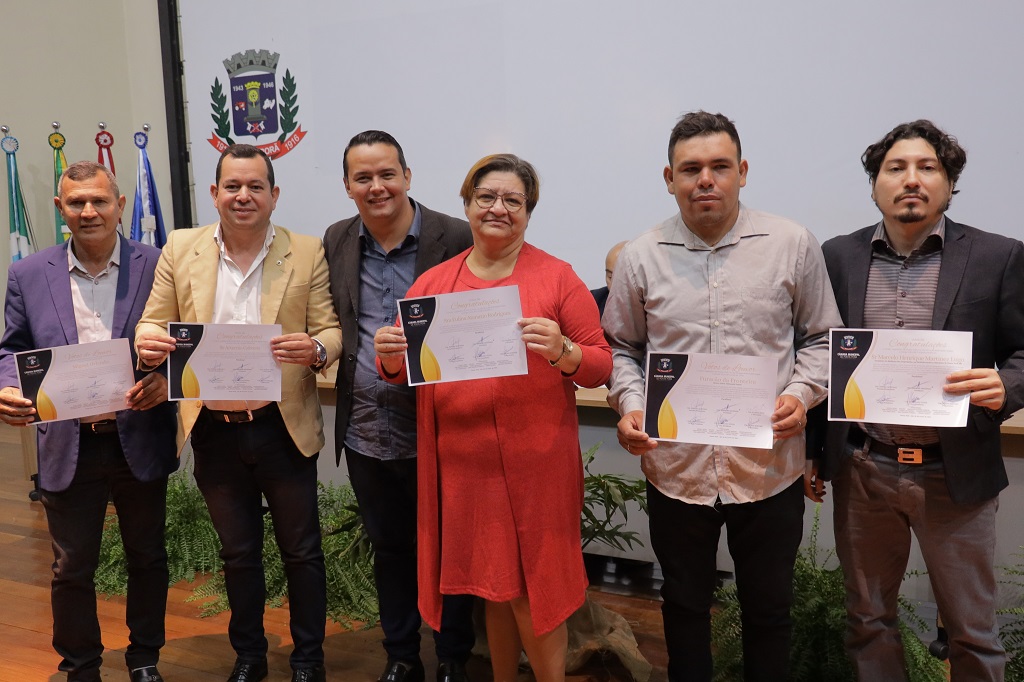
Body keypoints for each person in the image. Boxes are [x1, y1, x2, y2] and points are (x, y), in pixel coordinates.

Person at [604, 111, 842, 682]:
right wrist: (630, 404)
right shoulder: (641, 254)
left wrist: (802, 394)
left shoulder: (791, 244)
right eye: (691, 169)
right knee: (683, 605)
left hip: (766, 467)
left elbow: (823, 340)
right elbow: (621, 349)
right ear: (669, 177)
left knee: (768, 610)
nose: (705, 179)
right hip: (676, 468)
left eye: (719, 166)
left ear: (742, 171)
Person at [374, 154, 612, 682]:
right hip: (465, 469)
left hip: (536, 469)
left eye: (513, 200)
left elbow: (600, 365)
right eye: (486, 197)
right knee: (495, 590)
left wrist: (564, 350)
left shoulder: (557, 278)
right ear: (467, 203)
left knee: (533, 593)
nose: (498, 208)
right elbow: (399, 370)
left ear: (528, 212)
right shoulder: (435, 283)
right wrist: (390, 355)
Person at [806, 120, 1024, 681]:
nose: (911, 180)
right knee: (868, 619)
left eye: (927, 168)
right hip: (863, 468)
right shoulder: (839, 257)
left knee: (972, 631)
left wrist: (1009, 386)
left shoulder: (997, 256)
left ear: (949, 183)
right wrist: (814, 451)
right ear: (875, 183)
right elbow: (817, 354)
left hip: (954, 474)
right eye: (895, 168)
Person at [134, 144, 342, 682]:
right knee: (238, 553)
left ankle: (308, 660)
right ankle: (249, 657)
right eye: (232, 186)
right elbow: (151, 323)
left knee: (301, 552)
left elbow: (330, 330)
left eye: (255, 187)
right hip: (213, 429)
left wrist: (317, 352)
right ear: (214, 193)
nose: (243, 196)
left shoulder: (306, 250)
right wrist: (151, 344)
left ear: (274, 195)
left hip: (282, 426)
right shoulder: (180, 248)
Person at [0, 161, 177, 682]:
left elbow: (183, 337)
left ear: (120, 204)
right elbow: (11, 348)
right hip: (67, 442)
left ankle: (145, 658)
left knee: (147, 557)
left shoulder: (159, 264)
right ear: (61, 210)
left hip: (138, 436)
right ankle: (81, 666)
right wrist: (6, 386)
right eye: (76, 202)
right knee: (71, 567)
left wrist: (167, 379)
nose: (89, 211)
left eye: (100, 200)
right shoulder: (29, 274)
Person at [322, 130, 476, 682]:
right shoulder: (337, 239)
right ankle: (402, 655)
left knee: (450, 550)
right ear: (347, 187)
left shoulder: (455, 236)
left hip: (441, 428)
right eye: (362, 177)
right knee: (389, 549)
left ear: (407, 176)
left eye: (387, 173)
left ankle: (454, 656)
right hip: (367, 431)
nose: (377, 186)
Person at [589, 241, 627, 317]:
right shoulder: (593, 300)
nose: (614, 285)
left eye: (621, 277)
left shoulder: (653, 305)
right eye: (610, 277)